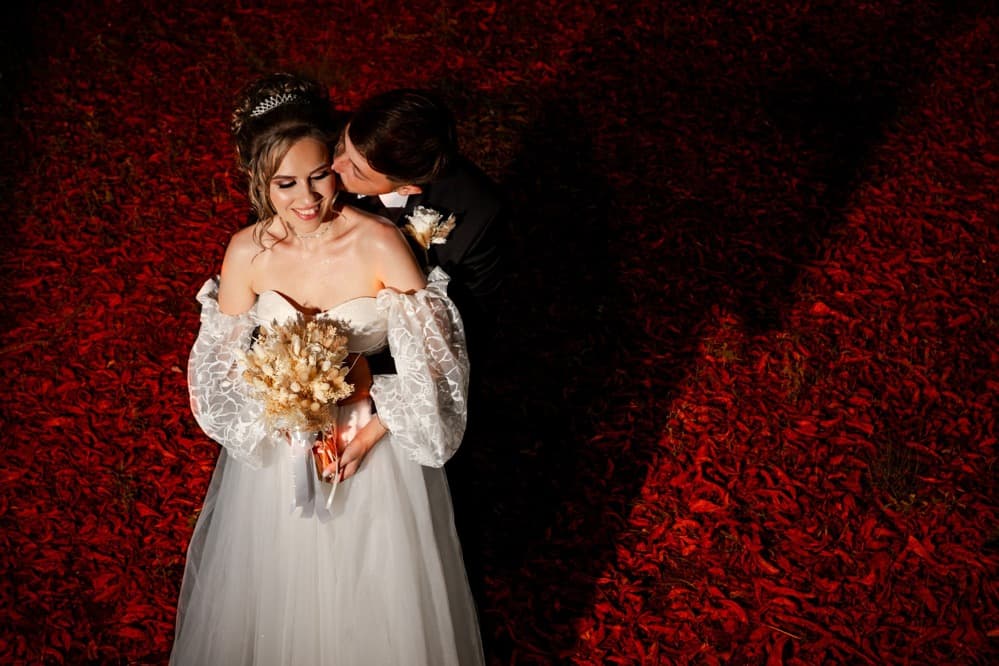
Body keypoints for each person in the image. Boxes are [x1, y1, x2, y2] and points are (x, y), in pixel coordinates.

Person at [171, 73, 485, 665]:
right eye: (285, 183)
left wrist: (366, 438)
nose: (308, 198)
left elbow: (435, 370)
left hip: (371, 451)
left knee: (374, 596)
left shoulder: (379, 244)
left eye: (320, 175)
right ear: (259, 183)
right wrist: (280, 413)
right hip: (280, 453)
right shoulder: (247, 252)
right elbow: (221, 369)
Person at [332, 90, 509, 610]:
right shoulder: (326, 163)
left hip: (407, 376)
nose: (334, 165)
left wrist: (381, 415)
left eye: (357, 171)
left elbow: (464, 338)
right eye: (344, 144)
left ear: (407, 187)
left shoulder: (478, 216)